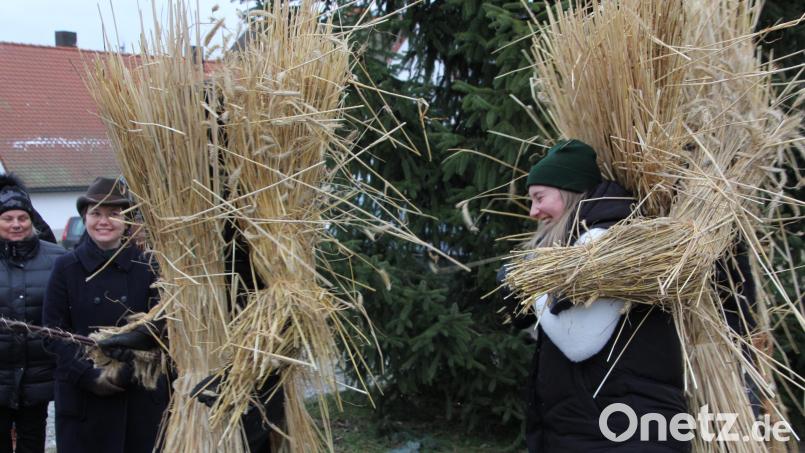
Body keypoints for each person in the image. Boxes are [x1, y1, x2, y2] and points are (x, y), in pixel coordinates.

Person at [507, 140, 689, 452]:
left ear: (569, 192)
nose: (533, 211)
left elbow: (578, 343)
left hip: (622, 433)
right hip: (605, 429)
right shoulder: (590, 242)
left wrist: (530, 283)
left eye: (539, 198)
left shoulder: (603, 244)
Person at [42, 177, 169, 453]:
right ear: (84, 217)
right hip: (84, 401)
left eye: (114, 214)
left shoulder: (148, 265)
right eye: (96, 213)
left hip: (137, 396)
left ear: (127, 221)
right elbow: (52, 334)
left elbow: (163, 327)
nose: (104, 221)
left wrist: (133, 352)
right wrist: (90, 375)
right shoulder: (66, 267)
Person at [0, 174, 65, 453]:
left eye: (22, 218)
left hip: (37, 376)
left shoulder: (57, 259)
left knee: (32, 442)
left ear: (31, 220)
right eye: (7, 219)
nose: (16, 224)